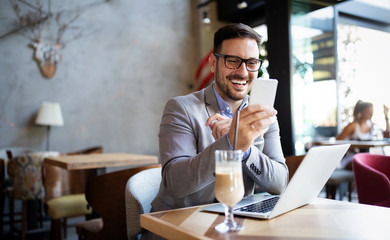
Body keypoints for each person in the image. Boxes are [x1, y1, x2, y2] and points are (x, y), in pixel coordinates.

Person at [151, 23, 288, 213]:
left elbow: (280, 183)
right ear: (214, 63)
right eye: (232, 60)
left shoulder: (263, 114)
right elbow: (175, 184)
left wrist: (244, 149)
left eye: (251, 63)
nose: (243, 72)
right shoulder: (180, 108)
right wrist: (229, 143)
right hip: (180, 222)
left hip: (236, 221)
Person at [336, 100, 389, 169]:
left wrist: (386, 116)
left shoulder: (370, 124)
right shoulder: (353, 126)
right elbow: (336, 142)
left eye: (372, 112)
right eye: (368, 112)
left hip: (366, 157)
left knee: (380, 163)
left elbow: (387, 134)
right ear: (361, 112)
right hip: (352, 159)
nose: (371, 114)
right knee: (368, 164)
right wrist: (351, 148)